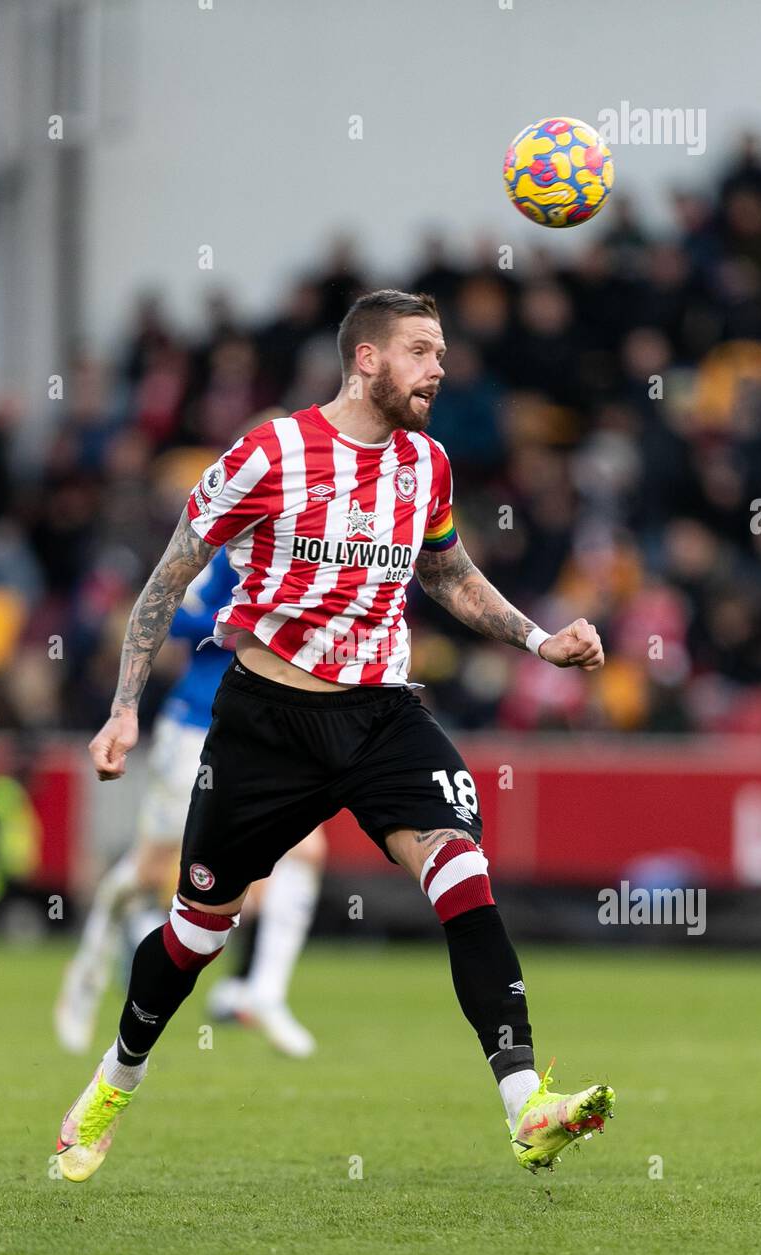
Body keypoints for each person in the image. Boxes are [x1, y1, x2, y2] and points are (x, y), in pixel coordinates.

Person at [55, 289, 614, 1183]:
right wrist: (124, 706)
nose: (440, 369)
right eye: (423, 351)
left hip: (383, 714)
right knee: (198, 929)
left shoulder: (427, 465)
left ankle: (524, 1103)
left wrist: (538, 639)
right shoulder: (271, 452)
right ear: (367, 360)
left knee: (460, 866)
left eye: (441, 352)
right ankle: (116, 1078)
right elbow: (169, 576)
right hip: (264, 726)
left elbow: (451, 574)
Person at [54, 548, 322, 1059]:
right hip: (199, 725)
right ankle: (88, 968)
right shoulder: (227, 549)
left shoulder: (318, 537)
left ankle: (264, 993)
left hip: (273, 727)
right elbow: (176, 615)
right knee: (149, 874)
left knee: (305, 852)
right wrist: (244, 617)